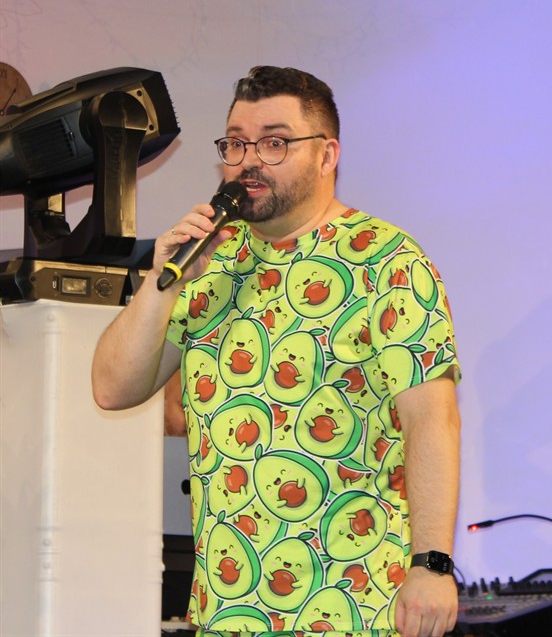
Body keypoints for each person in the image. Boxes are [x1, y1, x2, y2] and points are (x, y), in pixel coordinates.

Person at [92, 66, 461, 637]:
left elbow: (432, 421)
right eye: (236, 143)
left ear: (326, 155)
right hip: (227, 612)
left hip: (353, 607)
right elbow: (112, 388)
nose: (249, 161)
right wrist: (161, 280)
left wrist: (432, 565)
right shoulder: (209, 261)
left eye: (274, 142)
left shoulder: (387, 261)